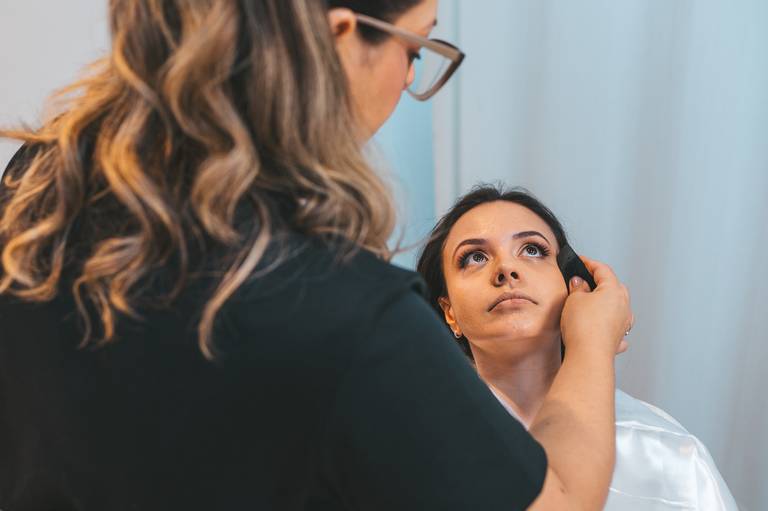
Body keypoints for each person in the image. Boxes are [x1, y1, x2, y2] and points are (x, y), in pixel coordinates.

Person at [0, 1, 631, 509]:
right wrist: (592, 343)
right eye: (414, 50)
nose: (410, 79)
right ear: (339, 36)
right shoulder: (345, 311)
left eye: (532, 250)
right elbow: (559, 503)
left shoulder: (43, 175)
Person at [417, 184, 739, 510]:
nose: (505, 269)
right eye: (475, 257)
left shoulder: (669, 453)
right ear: (449, 312)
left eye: (532, 250)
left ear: (575, 285)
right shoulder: (411, 448)